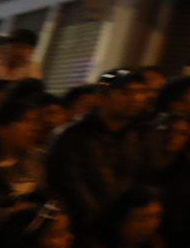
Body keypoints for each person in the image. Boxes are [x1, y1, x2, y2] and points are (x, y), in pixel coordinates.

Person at [45, 71, 149, 231]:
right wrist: (105, 222)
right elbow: (69, 187)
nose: (136, 99)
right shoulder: (73, 135)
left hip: (122, 227)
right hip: (80, 227)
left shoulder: (136, 136)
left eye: (140, 93)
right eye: (125, 93)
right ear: (100, 97)